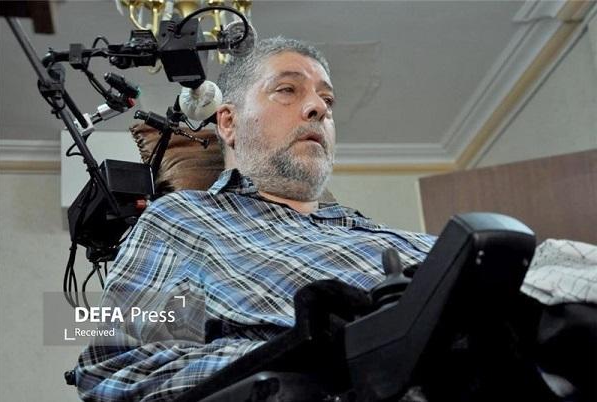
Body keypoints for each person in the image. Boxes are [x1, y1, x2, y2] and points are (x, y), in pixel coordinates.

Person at [75, 36, 435, 402]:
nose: (318, 108)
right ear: (229, 122)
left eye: (327, 100)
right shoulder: (186, 220)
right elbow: (117, 371)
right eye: (287, 90)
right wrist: (300, 358)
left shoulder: (401, 240)